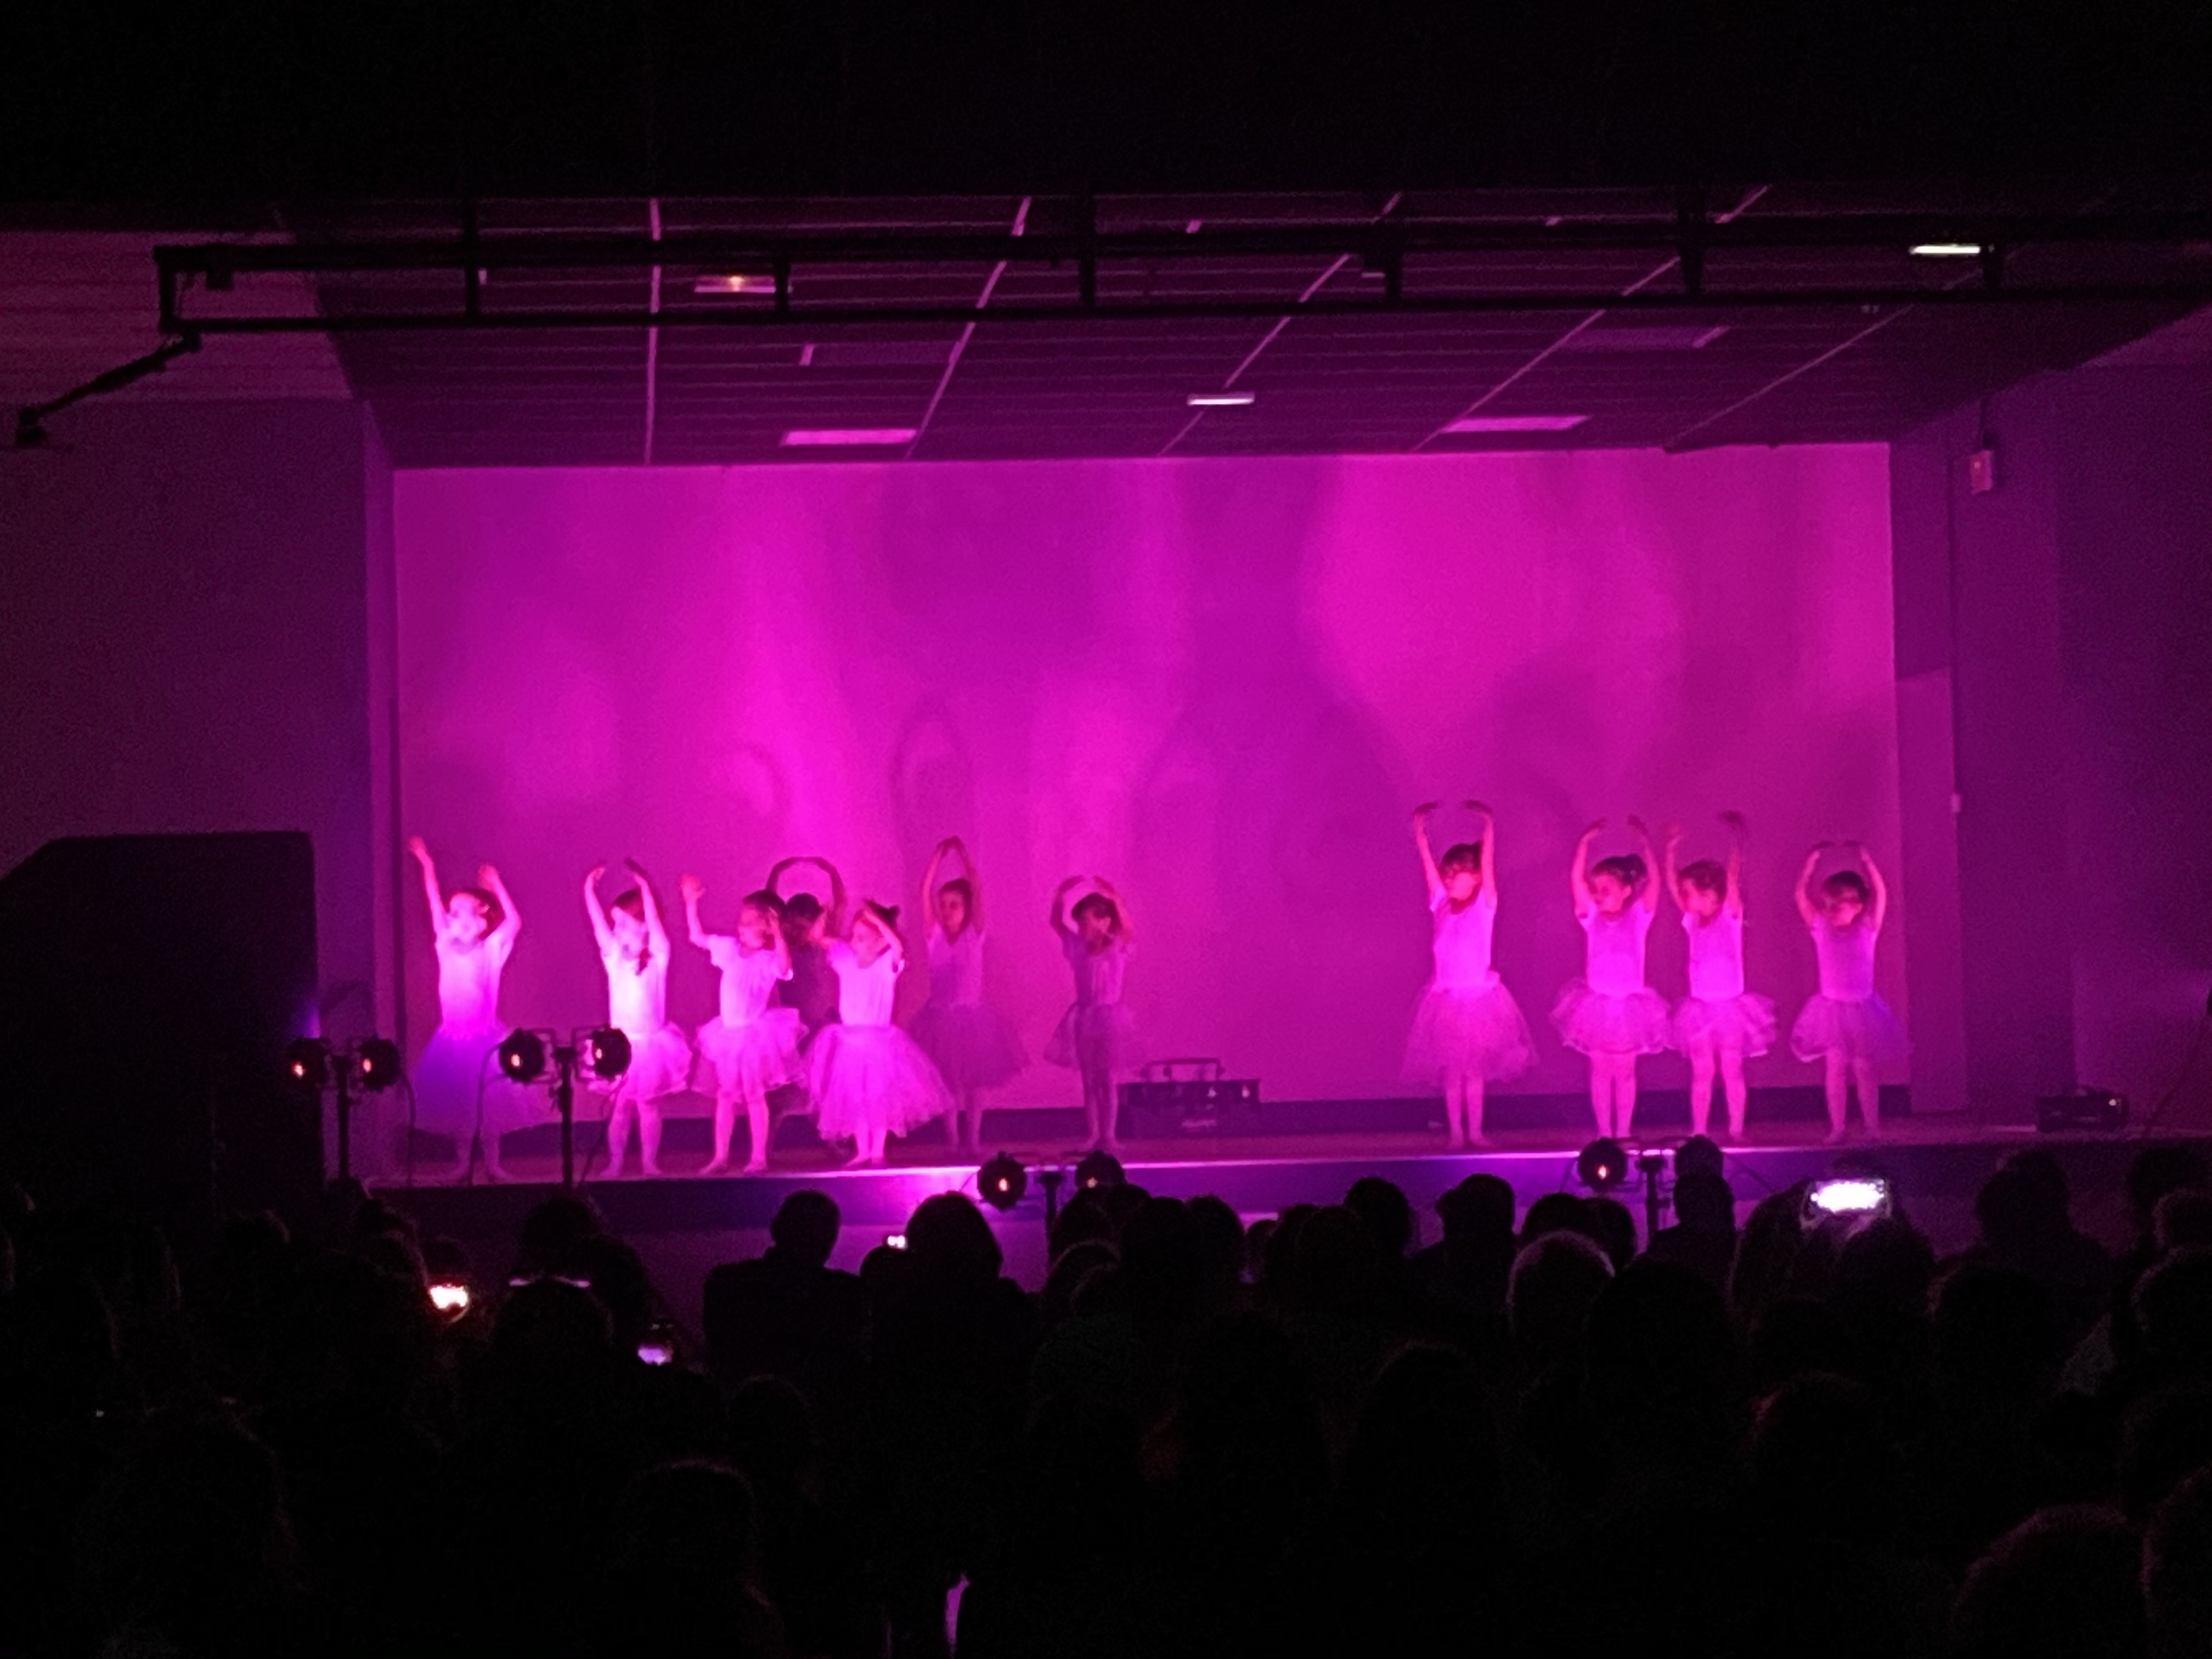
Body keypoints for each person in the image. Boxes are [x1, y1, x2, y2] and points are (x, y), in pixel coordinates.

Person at [1401, 802, 1534, 1149]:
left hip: (1477, 1001)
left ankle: (1475, 1132)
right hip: (1446, 1000)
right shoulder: (1441, 904)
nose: (1448, 877)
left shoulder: (1483, 906)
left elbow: (1489, 868)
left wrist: (1488, 828)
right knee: (1452, 1071)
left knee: (1474, 1071)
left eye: (1457, 871)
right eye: (1447, 872)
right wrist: (1419, 833)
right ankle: (1457, 1133)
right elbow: (1428, 870)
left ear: (1475, 877)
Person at [405, 837, 529, 1181]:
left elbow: (514, 924)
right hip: (453, 1038)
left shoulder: (490, 950)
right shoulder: (445, 944)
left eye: (463, 911)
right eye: (452, 911)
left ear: (482, 919)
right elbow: (433, 901)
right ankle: (462, 1163)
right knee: (461, 1101)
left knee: (490, 1100)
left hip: (484, 1037)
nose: (453, 916)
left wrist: (496, 885)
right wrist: (427, 864)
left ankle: (493, 1162)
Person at [806, 900, 953, 1167]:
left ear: (880, 942)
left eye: (862, 938)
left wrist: (878, 920)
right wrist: (825, 914)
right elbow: (817, 938)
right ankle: (862, 1150)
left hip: (879, 1043)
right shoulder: (845, 960)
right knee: (855, 1096)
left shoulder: (886, 966)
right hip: (851, 1042)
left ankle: (877, 1151)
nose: (854, 942)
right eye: (854, 936)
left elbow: (897, 946)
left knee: (878, 1097)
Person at [1552, 818, 1670, 1138]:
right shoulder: (1591, 918)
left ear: (1626, 891)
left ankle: (1624, 1131)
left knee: (1626, 1073)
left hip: (1630, 1006)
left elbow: (1655, 886)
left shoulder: (1638, 918)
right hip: (1598, 1006)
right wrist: (1584, 845)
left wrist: (1646, 844)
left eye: (1606, 890)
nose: (1598, 895)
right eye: (1596, 890)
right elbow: (1576, 882)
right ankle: (1605, 1133)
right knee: (1600, 1072)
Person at [1663, 813, 1778, 1141]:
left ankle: (1736, 1129)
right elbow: (1672, 888)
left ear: (1710, 893)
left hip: (1730, 1009)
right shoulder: (1692, 922)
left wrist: (1736, 845)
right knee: (1702, 1072)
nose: (1685, 899)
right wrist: (1670, 851)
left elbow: (1732, 880)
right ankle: (1699, 1130)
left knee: (1732, 1070)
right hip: (1700, 1009)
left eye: (1690, 892)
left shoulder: (1729, 917)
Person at [909, 837, 1026, 1155]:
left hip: (971, 1018)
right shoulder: (934, 936)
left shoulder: (974, 935)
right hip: (940, 1017)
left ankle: (973, 1139)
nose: (947, 911)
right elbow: (923, 892)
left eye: (954, 905)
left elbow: (976, 887)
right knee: (948, 1083)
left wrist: (962, 855)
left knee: (974, 1084)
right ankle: (952, 1138)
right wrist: (936, 858)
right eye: (943, 905)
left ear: (967, 909)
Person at [682, 876, 803, 1175]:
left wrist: (779, 934)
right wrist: (691, 903)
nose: (741, 927)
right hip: (728, 1034)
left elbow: (785, 968)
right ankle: (720, 1156)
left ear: (767, 927)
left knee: (753, 1095)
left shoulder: (767, 960)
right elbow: (697, 937)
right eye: (741, 920)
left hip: (752, 1036)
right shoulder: (729, 949)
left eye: (749, 923)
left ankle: (758, 1157)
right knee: (725, 1096)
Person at [584, 861, 693, 1179]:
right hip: (619, 1046)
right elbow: (598, 928)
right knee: (620, 1107)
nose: (616, 930)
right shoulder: (614, 959)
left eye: (622, 923)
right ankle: (615, 1162)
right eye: (615, 924)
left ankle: (649, 1162)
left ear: (643, 925)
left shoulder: (658, 956)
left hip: (650, 1046)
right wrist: (589, 891)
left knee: (648, 1106)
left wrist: (646, 891)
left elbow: (656, 926)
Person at [1789, 842, 1903, 1142]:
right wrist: (1810, 864)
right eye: (1827, 905)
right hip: (1832, 1009)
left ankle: (1873, 1127)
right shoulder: (1821, 928)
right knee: (1835, 1069)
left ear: (1858, 905)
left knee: (1864, 1068)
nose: (1829, 912)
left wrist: (1868, 862)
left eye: (1836, 906)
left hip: (1861, 1007)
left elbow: (1881, 894)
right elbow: (1800, 896)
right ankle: (1838, 1127)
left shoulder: (1867, 928)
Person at [1045, 876, 1141, 1152]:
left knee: (1107, 1078)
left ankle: (1109, 1135)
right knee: (1089, 1079)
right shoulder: (1077, 948)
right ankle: (1093, 1133)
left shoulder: (1117, 947)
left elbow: (1128, 929)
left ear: (1104, 921)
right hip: (1085, 1018)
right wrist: (1061, 894)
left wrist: (1115, 899)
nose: (1081, 927)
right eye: (1080, 923)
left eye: (1086, 921)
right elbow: (1056, 924)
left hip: (1110, 1019)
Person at [768, 855, 847, 1042]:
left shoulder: (783, 941)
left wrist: (776, 872)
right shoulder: (817, 941)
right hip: (813, 1015)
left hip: (795, 1016)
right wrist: (831, 871)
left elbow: (769, 905)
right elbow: (841, 904)